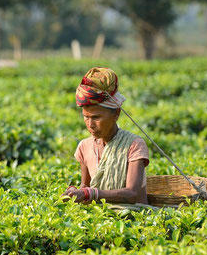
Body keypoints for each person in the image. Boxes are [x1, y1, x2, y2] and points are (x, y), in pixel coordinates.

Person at [62, 67, 150, 206]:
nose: (90, 124)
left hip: (135, 219)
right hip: (101, 220)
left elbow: (132, 194)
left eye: (96, 117)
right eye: (86, 117)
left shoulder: (134, 145)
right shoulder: (84, 147)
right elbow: (85, 185)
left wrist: (91, 193)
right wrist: (74, 192)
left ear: (116, 114)